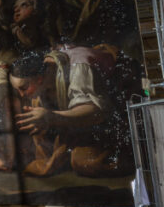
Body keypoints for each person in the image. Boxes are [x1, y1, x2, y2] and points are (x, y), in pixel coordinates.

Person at [8, 46, 133, 177]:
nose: (22, 95)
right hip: (81, 128)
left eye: (24, 88)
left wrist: (51, 117)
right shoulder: (44, 79)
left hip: (114, 119)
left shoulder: (79, 68)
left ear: (39, 78)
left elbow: (96, 112)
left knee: (84, 162)